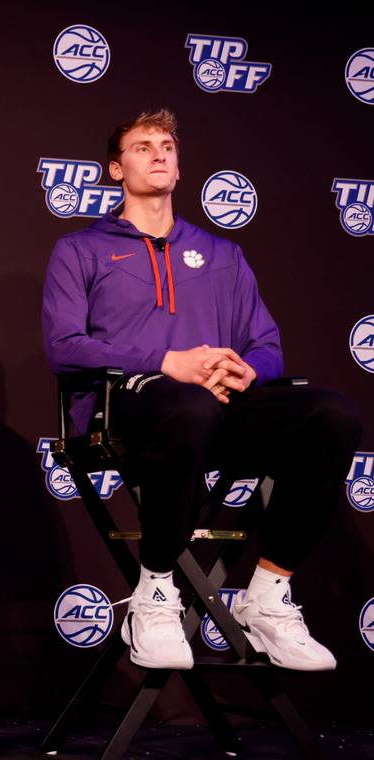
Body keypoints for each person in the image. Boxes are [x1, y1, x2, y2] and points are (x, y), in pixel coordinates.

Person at [42, 109, 361, 671]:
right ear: (116, 169)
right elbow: (64, 345)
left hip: (214, 413)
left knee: (331, 415)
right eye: (142, 147)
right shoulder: (81, 250)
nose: (159, 154)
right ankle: (157, 593)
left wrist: (246, 372)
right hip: (125, 414)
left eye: (167, 145)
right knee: (187, 405)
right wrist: (169, 362)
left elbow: (265, 344)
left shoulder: (221, 253)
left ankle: (269, 594)